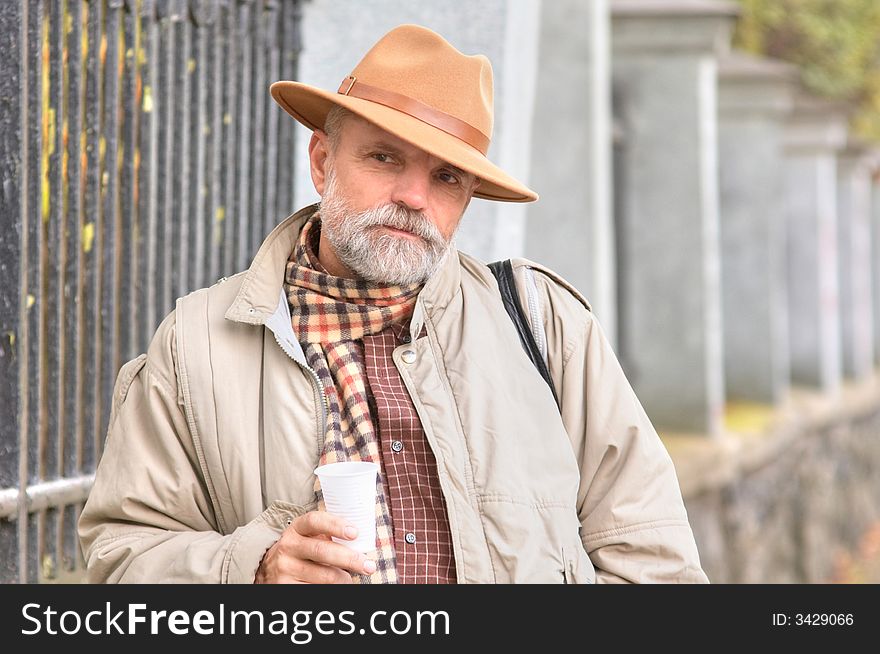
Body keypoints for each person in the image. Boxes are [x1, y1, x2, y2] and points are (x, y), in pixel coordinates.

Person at [78, 23, 708, 584]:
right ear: (324, 162)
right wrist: (255, 568)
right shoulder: (197, 345)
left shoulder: (544, 326)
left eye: (446, 177)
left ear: (465, 200)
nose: (414, 197)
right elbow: (121, 559)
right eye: (384, 157)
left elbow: (654, 562)